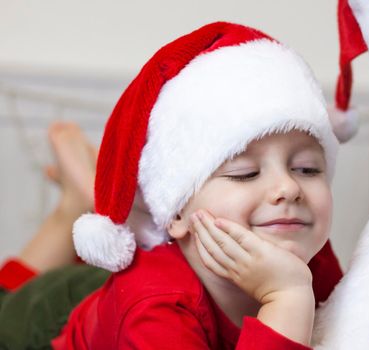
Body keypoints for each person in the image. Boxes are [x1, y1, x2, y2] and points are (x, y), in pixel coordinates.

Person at [0, 22, 347, 349]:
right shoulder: (155, 309)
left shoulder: (296, 244)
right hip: (43, 323)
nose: (288, 187)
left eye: (307, 169)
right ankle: (72, 210)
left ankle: (83, 197)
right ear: (177, 211)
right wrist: (286, 297)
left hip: (116, 293)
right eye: (245, 173)